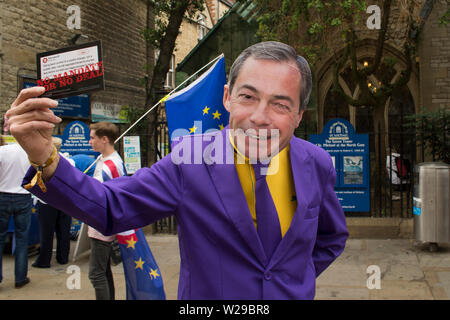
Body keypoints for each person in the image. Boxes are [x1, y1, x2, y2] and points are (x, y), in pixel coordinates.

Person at [6, 41, 348, 299]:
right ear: (227, 97)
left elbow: (331, 237)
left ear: (299, 115)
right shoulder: (190, 161)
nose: (260, 116)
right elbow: (110, 207)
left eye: (280, 104)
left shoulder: (315, 163)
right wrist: (45, 155)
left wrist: (291, 281)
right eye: (248, 97)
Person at [86, 122, 126, 300]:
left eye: (93, 138)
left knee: (96, 274)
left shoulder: (111, 165)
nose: (90, 142)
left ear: (104, 139)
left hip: (103, 225)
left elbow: (116, 198)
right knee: (103, 271)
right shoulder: (103, 160)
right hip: (99, 223)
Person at [32, 137, 72, 268]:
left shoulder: (41, 163)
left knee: (47, 232)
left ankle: (44, 260)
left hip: (47, 201)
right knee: (64, 230)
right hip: (64, 200)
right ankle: (63, 257)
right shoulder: (69, 161)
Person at [0, 136, 32, 288]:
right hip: (23, 196)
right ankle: (20, 278)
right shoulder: (30, 153)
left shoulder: (3, 151)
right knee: (22, 239)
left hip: (3, 195)